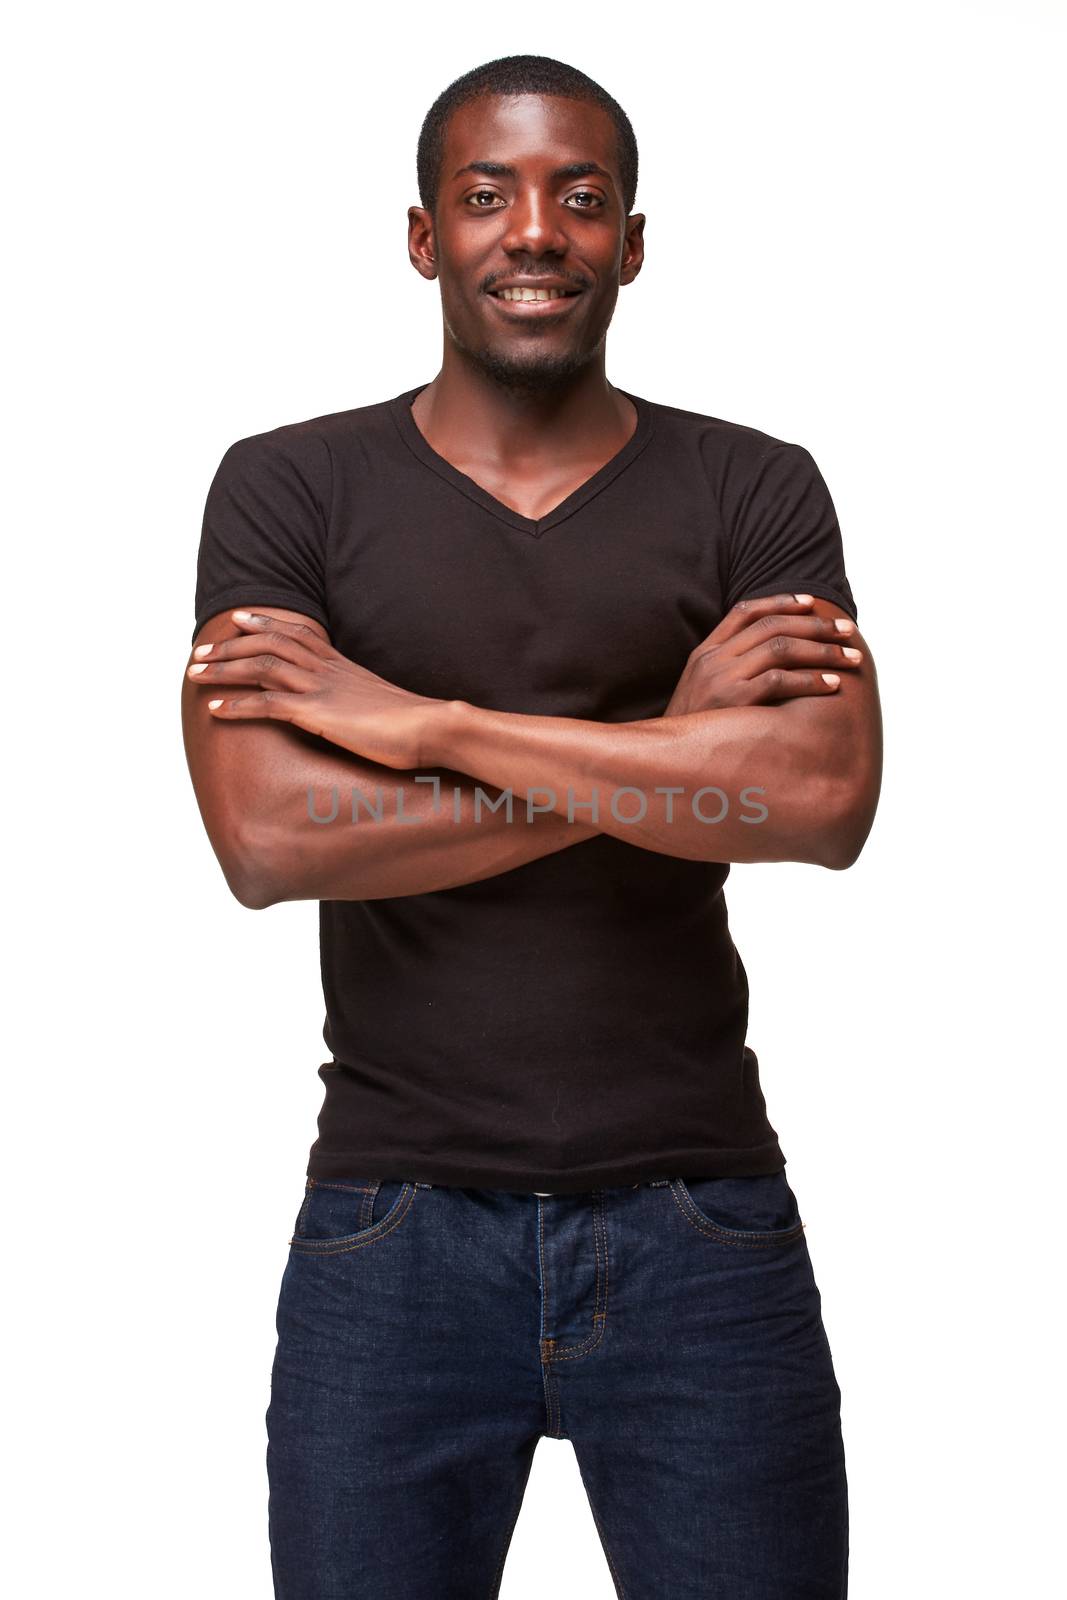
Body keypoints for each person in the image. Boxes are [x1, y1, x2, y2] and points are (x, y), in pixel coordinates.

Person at [182, 52, 882, 1600]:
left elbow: (822, 801)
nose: (536, 230)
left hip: (701, 1224)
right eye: (487, 195)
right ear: (425, 237)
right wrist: (668, 755)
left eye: (580, 196)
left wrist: (415, 726)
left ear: (632, 241)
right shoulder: (290, 490)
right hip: (393, 1232)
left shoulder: (751, 489)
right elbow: (270, 840)